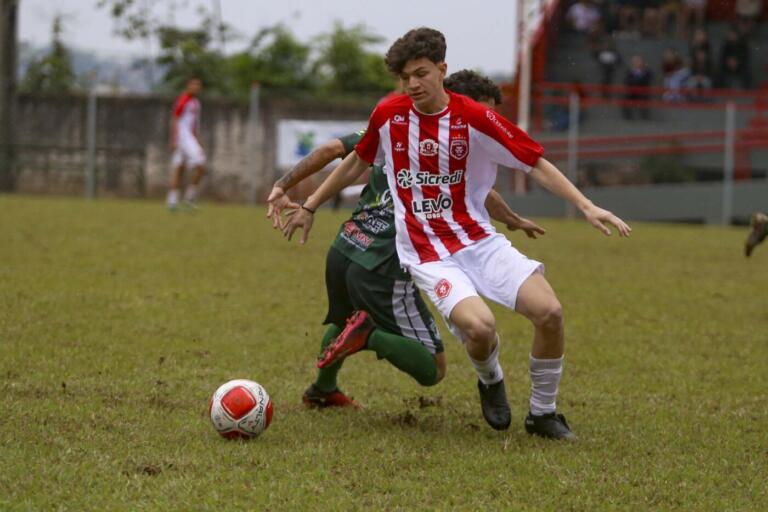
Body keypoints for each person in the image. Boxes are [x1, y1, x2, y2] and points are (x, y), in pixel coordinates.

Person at [283, 28, 631, 440]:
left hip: (479, 241)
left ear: (442, 70)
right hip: (427, 254)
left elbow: (534, 161)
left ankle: (543, 414)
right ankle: (491, 379)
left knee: (550, 313)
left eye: (421, 73)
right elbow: (357, 162)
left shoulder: (475, 117)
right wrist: (310, 206)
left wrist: (586, 205)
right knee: (481, 329)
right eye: (405, 77)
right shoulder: (390, 115)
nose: (413, 84)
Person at [269, 70, 546, 409]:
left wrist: (284, 186)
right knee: (433, 368)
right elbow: (478, 192)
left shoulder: (395, 126)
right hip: (387, 258)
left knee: (345, 320)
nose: (488, 123)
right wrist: (511, 219)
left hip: (348, 244)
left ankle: (322, 390)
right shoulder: (446, 137)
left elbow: (332, 148)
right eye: (483, 113)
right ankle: (368, 336)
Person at [167, 78, 206, 211]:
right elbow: (175, 119)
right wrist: (174, 139)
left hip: (190, 138)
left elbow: (194, 123)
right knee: (200, 165)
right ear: (188, 86)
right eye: (194, 85)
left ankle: (173, 201)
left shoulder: (196, 103)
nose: (196, 88)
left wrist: (198, 138)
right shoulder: (183, 100)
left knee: (180, 168)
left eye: (198, 85)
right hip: (183, 139)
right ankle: (188, 198)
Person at [623, 55, 653, 119]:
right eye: (635, 62)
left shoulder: (647, 72)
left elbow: (647, 81)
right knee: (625, 98)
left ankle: (644, 117)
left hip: (643, 92)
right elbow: (627, 82)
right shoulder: (629, 72)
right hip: (632, 92)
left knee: (644, 98)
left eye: (638, 61)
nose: (637, 63)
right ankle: (628, 118)